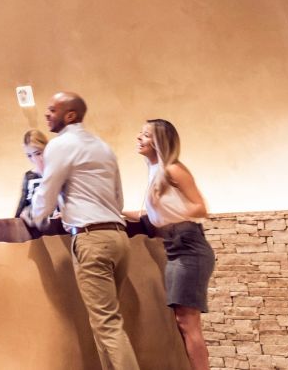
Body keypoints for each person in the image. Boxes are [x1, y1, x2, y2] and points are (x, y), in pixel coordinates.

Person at [23, 93, 140, 370]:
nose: (47, 114)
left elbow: (47, 192)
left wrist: (33, 214)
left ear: (71, 115)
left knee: (107, 325)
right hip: (118, 238)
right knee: (105, 323)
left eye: (53, 109)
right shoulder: (103, 147)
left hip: (91, 239)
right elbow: (118, 200)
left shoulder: (61, 146)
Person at [136, 118, 215, 370]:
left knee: (187, 322)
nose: (139, 138)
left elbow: (201, 208)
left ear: (159, 142)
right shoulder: (154, 172)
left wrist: (168, 216)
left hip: (189, 246)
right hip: (173, 247)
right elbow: (146, 216)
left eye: (146, 135)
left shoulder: (172, 169)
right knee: (180, 321)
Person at [14, 127, 51, 219]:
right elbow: (21, 207)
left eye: (38, 153)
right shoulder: (29, 176)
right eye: (29, 155)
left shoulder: (58, 172)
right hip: (36, 229)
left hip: (61, 229)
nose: (34, 159)